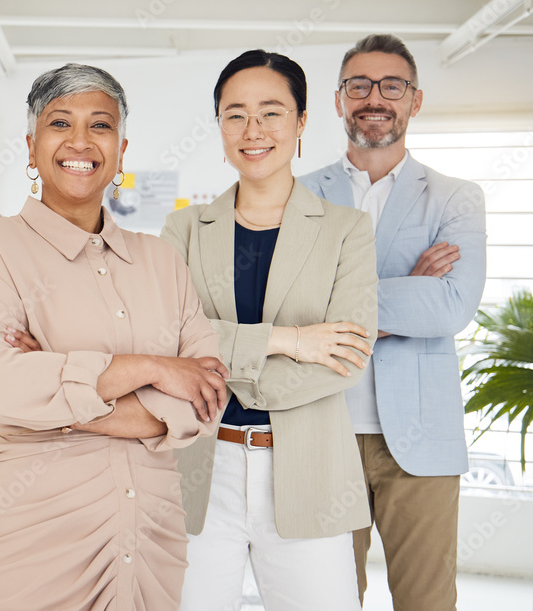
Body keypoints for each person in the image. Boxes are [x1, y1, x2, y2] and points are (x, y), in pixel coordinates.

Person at [0, 63, 229, 610]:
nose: (80, 141)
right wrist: (153, 369)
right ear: (31, 148)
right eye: (60, 123)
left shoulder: (162, 260)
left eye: (100, 125)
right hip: (31, 539)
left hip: (150, 538)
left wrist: (52, 389)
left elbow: (206, 399)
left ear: (121, 152)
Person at [162, 50, 379, 611]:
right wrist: (293, 342)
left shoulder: (346, 231)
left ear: (301, 121)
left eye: (271, 112)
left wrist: (216, 366)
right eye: (235, 114)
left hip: (310, 472)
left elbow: (346, 360)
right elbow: (165, 343)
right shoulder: (184, 229)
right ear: (219, 126)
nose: (252, 130)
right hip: (199, 470)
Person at [300, 34, 487, 611]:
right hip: (320, 435)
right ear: (339, 100)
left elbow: (451, 305)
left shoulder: (456, 198)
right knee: (324, 601)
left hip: (423, 440)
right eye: (359, 86)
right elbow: (287, 310)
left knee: (426, 603)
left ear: (414, 100)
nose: (374, 98)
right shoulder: (296, 197)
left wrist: (338, 304)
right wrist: (411, 285)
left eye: (391, 86)